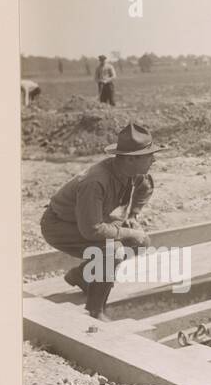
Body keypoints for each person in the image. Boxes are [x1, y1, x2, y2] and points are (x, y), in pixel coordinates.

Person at [39, 122, 159, 320]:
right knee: (112, 250)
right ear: (131, 159)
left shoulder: (133, 172)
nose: (154, 160)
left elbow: (145, 187)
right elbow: (92, 231)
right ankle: (95, 311)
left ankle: (82, 275)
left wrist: (133, 216)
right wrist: (128, 232)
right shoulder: (96, 181)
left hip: (87, 221)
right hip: (59, 225)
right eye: (149, 156)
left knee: (141, 242)